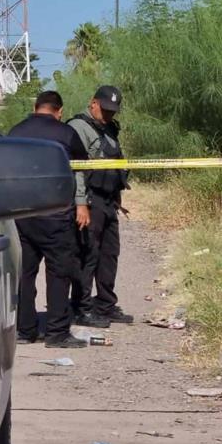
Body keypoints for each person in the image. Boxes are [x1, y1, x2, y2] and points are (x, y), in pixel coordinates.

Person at [7, 91, 104, 349]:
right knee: (58, 272)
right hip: (55, 214)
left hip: (22, 214)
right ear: (59, 111)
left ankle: (25, 330)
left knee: (25, 274)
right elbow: (82, 164)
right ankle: (57, 333)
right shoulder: (65, 133)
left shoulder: (15, 132)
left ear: (35, 106)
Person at [67, 86, 134, 325]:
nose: (108, 115)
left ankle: (106, 304)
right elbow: (76, 169)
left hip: (108, 201)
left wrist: (118, 195)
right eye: (104, 110)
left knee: (109, 254)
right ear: (93, 103)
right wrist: (80, 203)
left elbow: (115, 163)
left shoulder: (109, 129)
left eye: (112, 111)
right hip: (90, 200)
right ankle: (82, 307)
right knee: (88, 254)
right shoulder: (78, 127)